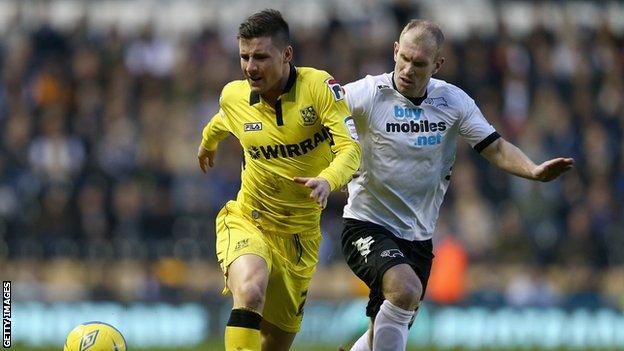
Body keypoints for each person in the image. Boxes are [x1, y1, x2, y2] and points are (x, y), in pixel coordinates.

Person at [340, 20, 574, 351]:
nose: (408, 69)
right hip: (366, 225)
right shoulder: (366, 93)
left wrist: (533, 170)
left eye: (419, 64)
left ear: (437, 65)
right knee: (404, 290)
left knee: (391, 317)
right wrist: (334, 165)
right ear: (395, 51)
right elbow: (320, 114)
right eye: (403, 58)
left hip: (418, 237)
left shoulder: (453, 102)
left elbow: (495, 147)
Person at [197, 9, 361, 351]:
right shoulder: (234, 95)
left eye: (260, 57)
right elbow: (221, 121)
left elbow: (350, 148)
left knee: (274, 344)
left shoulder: (318, 88)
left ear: (287, 55)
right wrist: (207, 144)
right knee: (251, 289)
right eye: (244, 57)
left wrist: (328, 180)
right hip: (248, 220)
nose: (250, 67)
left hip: (299, 237)